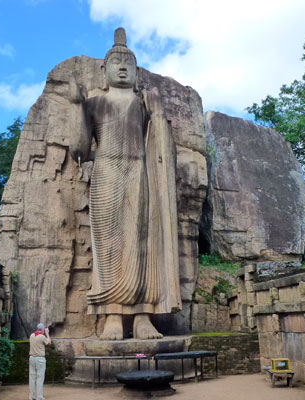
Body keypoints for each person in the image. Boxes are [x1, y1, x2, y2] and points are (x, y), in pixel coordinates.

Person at [69, 28, 181, 340]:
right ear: (103, 71)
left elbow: (162, 147)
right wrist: (77, 106)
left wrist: (158, 114)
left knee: (141, 242)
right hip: (105, 172)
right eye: (116, 62)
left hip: (139, 174)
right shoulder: (95, 103)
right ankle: (113, 317)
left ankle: (143, 316)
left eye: (128, 63)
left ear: (135, 71)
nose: (122, 67)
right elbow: (79, 148)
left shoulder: (145, 103)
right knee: (109, 244)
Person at [29, 323, 51, 400]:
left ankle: (31, 396)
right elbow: (49, 342)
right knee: (40, 378)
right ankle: (39, 397)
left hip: (31, 359)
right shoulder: (42, 336)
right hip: (40, 359)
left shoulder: (31, 335)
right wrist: (47, 333)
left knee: (32, 378)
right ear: (42, 330)